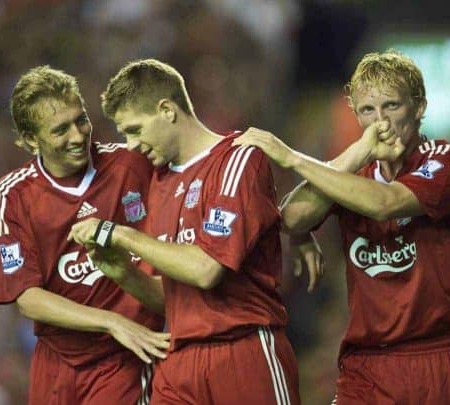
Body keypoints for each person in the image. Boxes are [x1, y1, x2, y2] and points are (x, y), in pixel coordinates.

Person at [233, 50, 450, 404]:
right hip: (368, 366)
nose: (381, 123)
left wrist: (293, 158)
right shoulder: (351, 174)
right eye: (368, 110)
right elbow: (291, 217)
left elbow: (384, 203)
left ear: (419, 107)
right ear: (355, 115)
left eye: (392, 106)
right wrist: (354, 156)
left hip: (442, 358)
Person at [67, 59, 312, 404]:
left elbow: (205, 270)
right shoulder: (160, 182)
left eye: (135, 129)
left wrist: (121, 234)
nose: (131, 145)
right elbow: (173, 299)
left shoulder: (237, 159)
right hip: (180, 360)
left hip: (242, 354)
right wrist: (124, 272)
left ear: (167, 110)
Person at [0, 65, 169, 405]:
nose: (77, 136)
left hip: (127, 355)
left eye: (80, 120)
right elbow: (27, 298)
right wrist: (110, 321)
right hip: (56, 361)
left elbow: (196, 177)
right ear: (31, 140)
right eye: (60, 130)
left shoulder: (133, 163)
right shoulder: (13, 195)